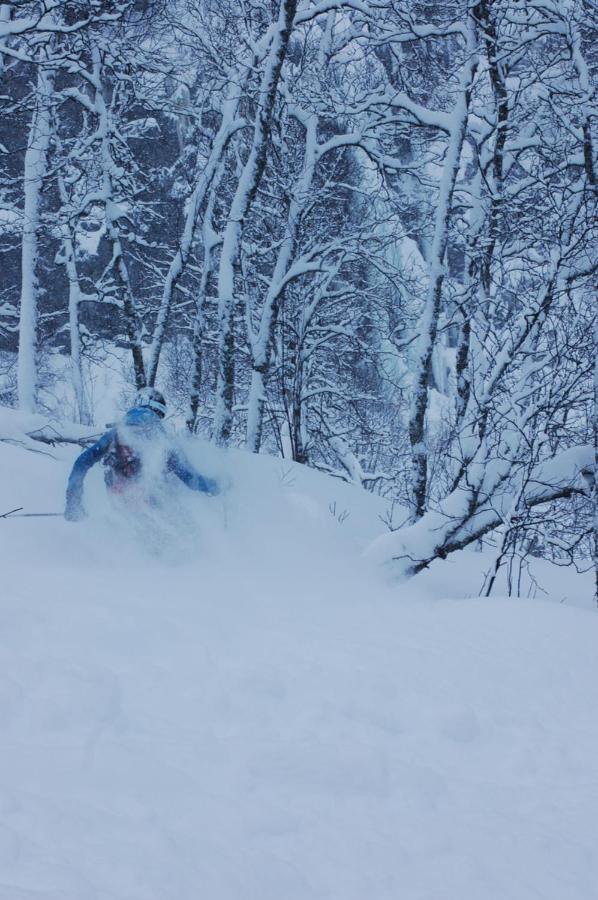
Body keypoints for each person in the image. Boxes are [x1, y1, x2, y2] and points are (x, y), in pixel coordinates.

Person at [65, 388, 219, 521]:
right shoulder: (163, 438)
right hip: (154, 503)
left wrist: (73, 501)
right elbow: (190, 479)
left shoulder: (117, 433)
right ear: (158, 411)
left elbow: (82, 462)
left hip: (120, 500)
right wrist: (218, 486)